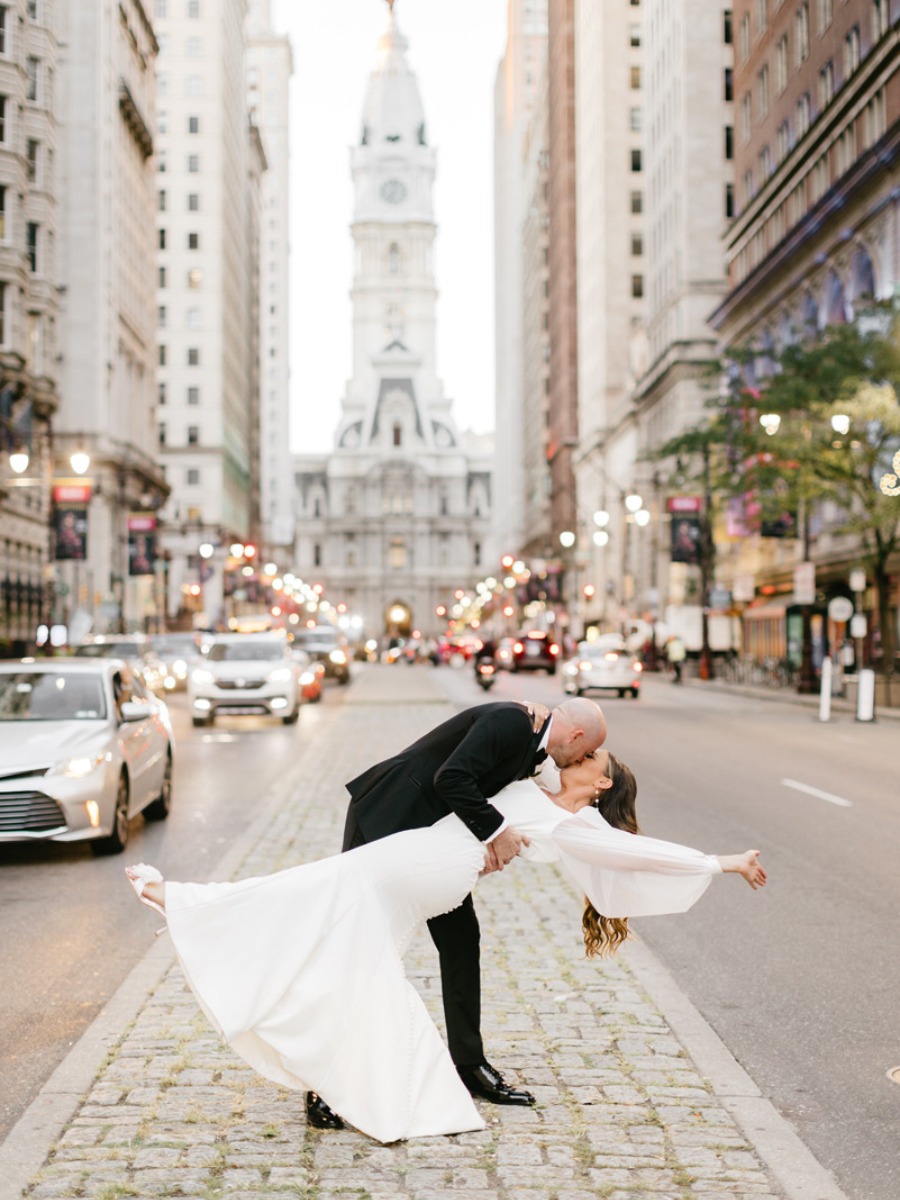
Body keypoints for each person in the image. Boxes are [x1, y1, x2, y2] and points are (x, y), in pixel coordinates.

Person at [126, 749, 766, 1145]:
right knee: (315, 900)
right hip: (414, 856)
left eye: (597, 760)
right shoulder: (531, 783)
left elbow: (636, 853)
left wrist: (724, 862)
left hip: (430, 874)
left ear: (599, 785)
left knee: (322, 909)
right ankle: (185, 904)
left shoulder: (573, 824)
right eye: (588, 751)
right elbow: (511, 749)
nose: (587, 756)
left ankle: (186, 906)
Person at [322, 697, 606, 1128]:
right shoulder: (510, 722)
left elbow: (509, 790)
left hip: (429, 848)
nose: (582, 760)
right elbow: (451, 777)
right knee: (363, 950)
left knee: (461, 941)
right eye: (585, 753)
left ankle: (469, 1066)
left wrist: (486, 841)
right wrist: (496, 832)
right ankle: (325, 1084)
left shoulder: (536, 743)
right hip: (385, 820)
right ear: (577, 736)